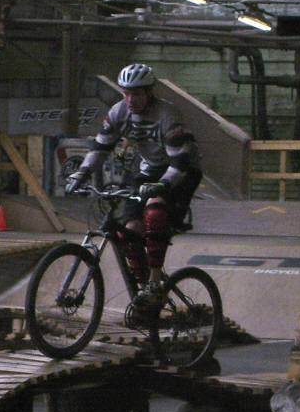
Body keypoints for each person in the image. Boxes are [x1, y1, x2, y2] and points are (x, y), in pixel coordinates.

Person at [65, 63, 202, 307]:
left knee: (155, 211)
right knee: (128, 230)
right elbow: (100, 146)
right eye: (126, 93)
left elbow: (180, 162)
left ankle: (155, 282)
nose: (130, 99)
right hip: (148, 170)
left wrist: (162, 186)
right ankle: (143, 291)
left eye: (136, 94)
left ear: (149, 93)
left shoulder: (167, 116)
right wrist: (82, 173)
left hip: (182, 171)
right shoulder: (119, 112)